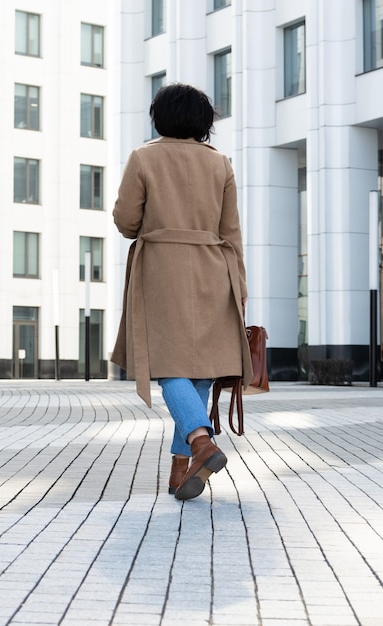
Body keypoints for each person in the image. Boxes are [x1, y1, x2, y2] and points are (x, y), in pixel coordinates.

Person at [111, 83, 253, 500]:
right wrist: (240, 287)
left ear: (160, 117)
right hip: (215, 269)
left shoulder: (143, 158)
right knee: (202, 371)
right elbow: (232, 233)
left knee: (168, 365)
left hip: (162, 270)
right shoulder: (221, 164)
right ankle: (181, 472)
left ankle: (200, 441)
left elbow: (126, 222)